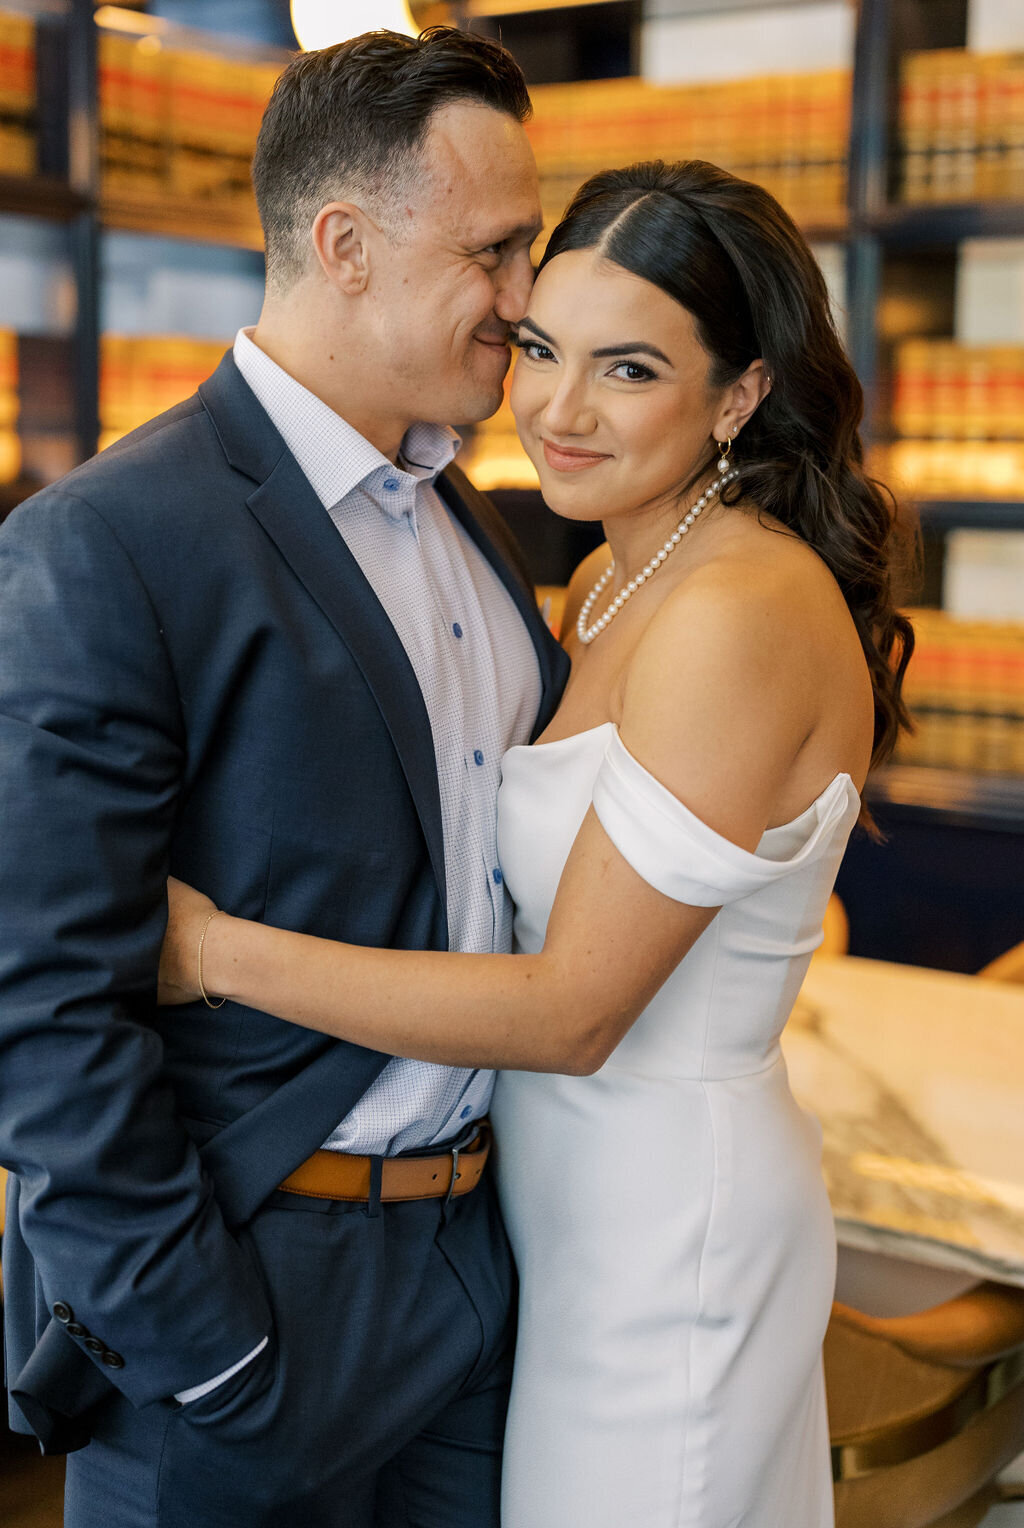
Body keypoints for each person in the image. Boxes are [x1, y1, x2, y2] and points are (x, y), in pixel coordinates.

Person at [159, 159, 915, 1527]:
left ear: (738, 393)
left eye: (628, 370)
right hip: (554, 1220)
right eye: (541, 348)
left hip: (667, 1229)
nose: (557, 411)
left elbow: (573, 1010)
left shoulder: (733, 609)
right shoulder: (613, 572)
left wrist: (216, 949)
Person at [0, 28, 568, 1528]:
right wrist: (205, 1347)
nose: (527, 302)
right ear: (345, 245)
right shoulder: (110, 539)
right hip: (251, 1297)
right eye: (496, 252)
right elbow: (44, 1006)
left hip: (475, 1279)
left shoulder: (476, 521)